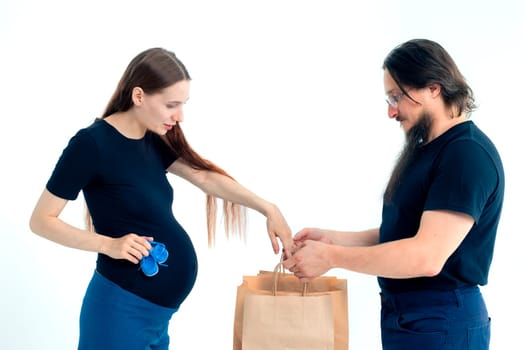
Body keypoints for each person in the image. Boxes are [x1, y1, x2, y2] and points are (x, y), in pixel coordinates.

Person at [29, 47, 293, 350]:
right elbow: (41, 220)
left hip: (156, 319)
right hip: (119, 314)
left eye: (183, 104)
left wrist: (268, 208)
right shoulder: (90, 145)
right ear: (139, 96)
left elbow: (204, 177)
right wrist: (109, 244)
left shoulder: (151, 137)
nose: (179, 116)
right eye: (171, 105)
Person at [283, 39, 504, 349]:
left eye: (396, 96)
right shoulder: (429, 149)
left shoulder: (465, 154)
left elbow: (426, 256)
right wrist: (333, 239)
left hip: (440, 321)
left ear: (433, 88)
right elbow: (406, 233)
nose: (391, 111)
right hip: (413, 319)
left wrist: (332, 257)